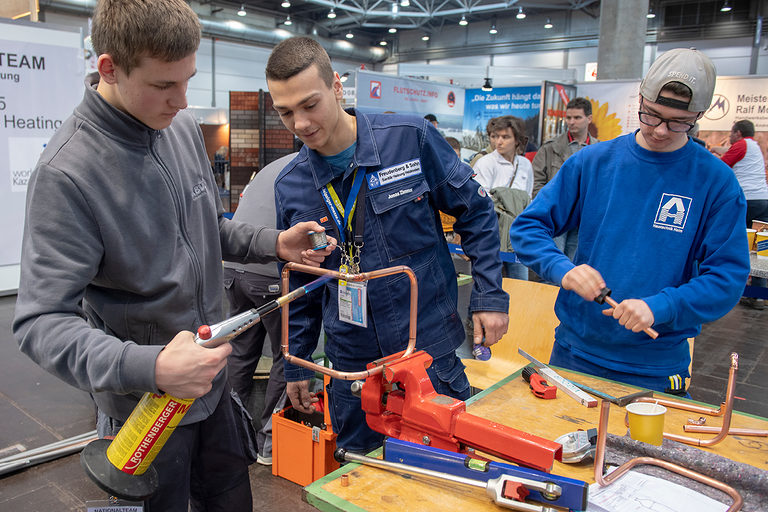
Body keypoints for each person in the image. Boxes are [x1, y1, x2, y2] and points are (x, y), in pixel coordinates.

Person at [12, 2, 334, 511]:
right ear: (110, 69)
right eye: (165, 86)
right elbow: (40, 322)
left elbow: (207, 227)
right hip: (146, 407)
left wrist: (271, 243)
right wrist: (152, 366)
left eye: (188, 80)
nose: (182, 102)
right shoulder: (68, 174)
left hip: (214, 393)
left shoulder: (178, 130)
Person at [266, 37, 509, 453]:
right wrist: (295, 364)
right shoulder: (292, 186)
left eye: (310, 105)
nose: (300, 124)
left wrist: (489, 295)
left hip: (427, 352)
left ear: (337, 87)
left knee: (448, 472)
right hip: (350, 364)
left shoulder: (409, 139)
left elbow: (477, 212)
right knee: (360, 475)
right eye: (285, 112)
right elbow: (300, 285)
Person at [510, 48, 750, 396]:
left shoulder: (716, 183)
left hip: (655, 368)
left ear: (699, 115)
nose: (661, 131)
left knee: (642, 453)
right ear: (640, 97)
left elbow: (727, 279)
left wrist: (661, 306)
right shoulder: (593, 163)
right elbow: (528, 228)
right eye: (651, 115)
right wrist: (562, 268)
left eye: (679, 122)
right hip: (574, 356)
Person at [223, 153, 299, 467]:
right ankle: (268, 442)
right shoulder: (312, 167)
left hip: (232, 267)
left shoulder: (273, 166)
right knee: (288, 352)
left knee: (240, 351)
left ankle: (231, 437)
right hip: (269, 272)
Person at [532, 97, 598, 261]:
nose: (571, 122)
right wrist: (548, 207)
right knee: (552, 263)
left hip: (583, 218)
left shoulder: (599, 150)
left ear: (589, 119)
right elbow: (536, 181)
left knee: (575, 264)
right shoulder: (550, 148)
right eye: (568, 118)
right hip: (556, 215)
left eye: (577, 117)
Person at [714, 119, 768, 309]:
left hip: (748, 200)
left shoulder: (741, 145)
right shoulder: (754, 146)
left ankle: (729, 289)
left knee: (737, 243)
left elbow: (721, 166)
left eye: (731, 132)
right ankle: (759, 295)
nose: (729, 136)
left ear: (737, 133)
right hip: (763, 199)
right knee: (761, 248)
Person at [472, 115, 533, 281]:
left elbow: (528, 199)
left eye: (505, 137)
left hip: (517, 237)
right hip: (491, 235)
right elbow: (479, 200)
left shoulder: (525, 165)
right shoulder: (485, 163)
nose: (499, 141)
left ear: (517, 140)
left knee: (520, 286)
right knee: (489, 285)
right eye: (496, 136)